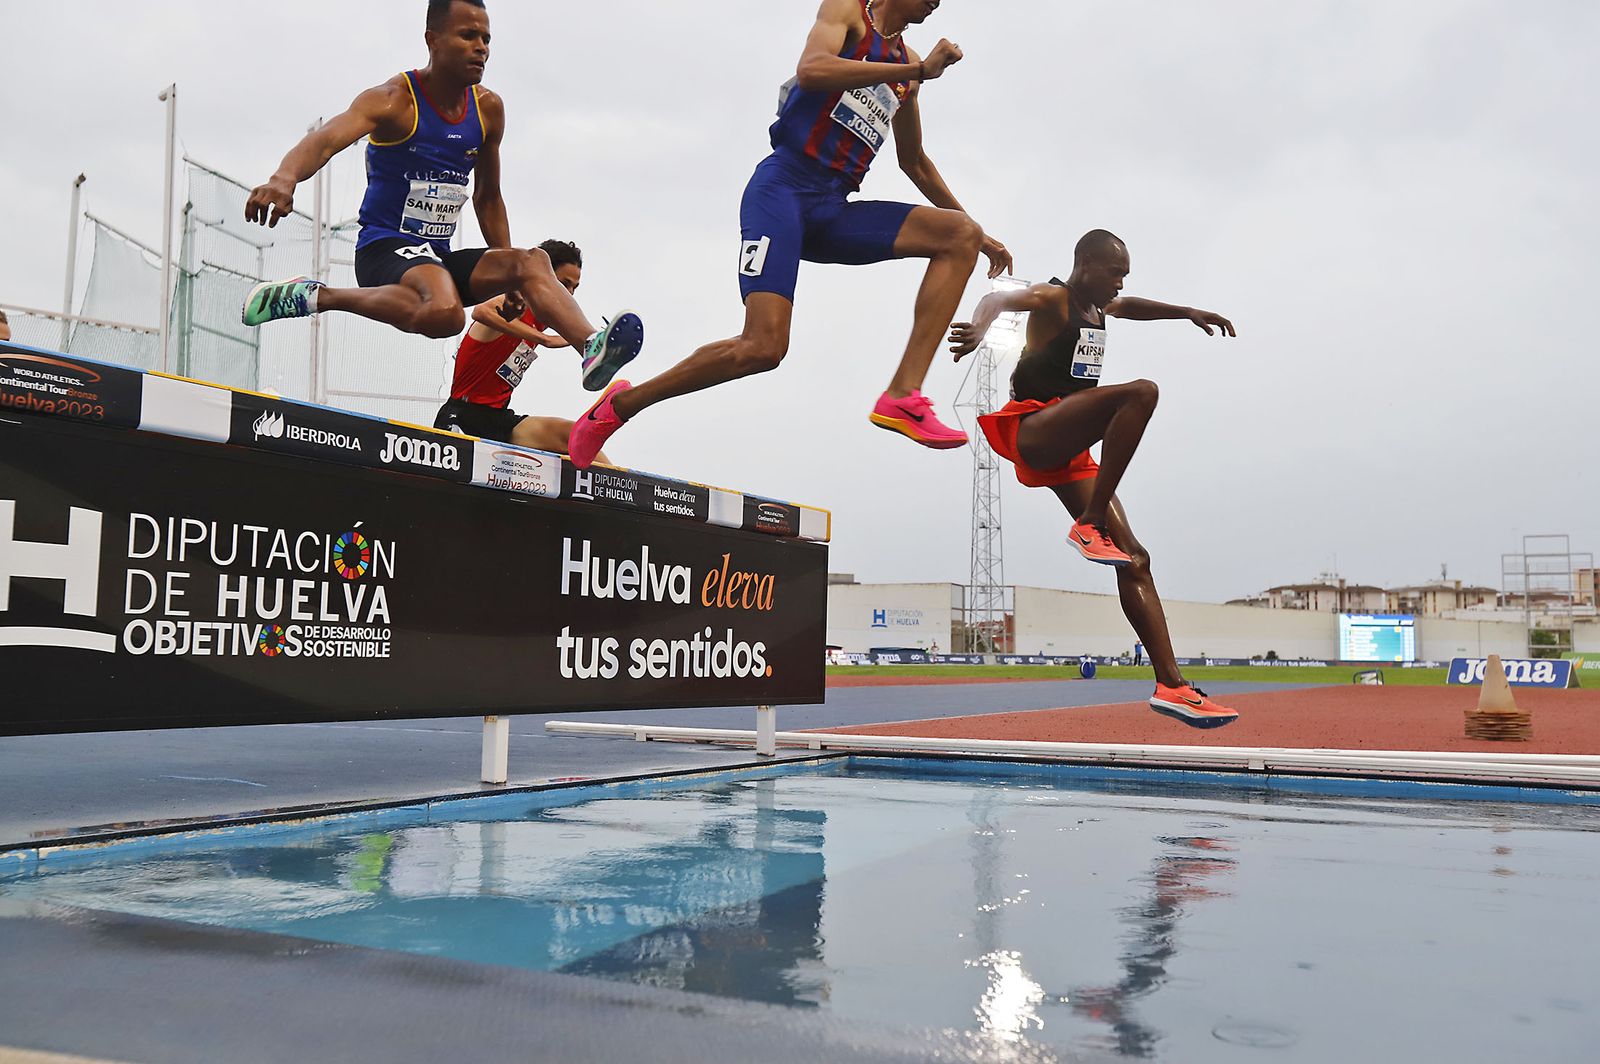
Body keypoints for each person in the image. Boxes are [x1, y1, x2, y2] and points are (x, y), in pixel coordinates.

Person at [566, 0, 1011, 468]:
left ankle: (903, 395)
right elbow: (813, 69)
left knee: (959, 234)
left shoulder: (907, 70)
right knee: (762, 348)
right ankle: (618, 407)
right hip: (781, 193)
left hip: (832, 208)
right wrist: (920, 68)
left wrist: (979, 234)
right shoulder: (848, 13)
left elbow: (913, 160)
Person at [240, 0, 641, 392]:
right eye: (468, 35)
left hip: (439, 257)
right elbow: (326, 140)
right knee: (447, 314)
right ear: (432, 39)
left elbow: (487, 198)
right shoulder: (394, 99)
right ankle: (316, 296)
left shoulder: (487, 110)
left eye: (486, 38)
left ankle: (590, 346)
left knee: (531, 261)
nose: (481, 47)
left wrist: (512, 280)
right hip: (385, 248)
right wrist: (283, 179)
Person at [950, 229, 1239, 729]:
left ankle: (1171, 685)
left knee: (1135, 559)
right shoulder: (1054, 298)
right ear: (1085, 266)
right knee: (1140, 393)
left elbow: (1134, 306)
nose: (1119, 285)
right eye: (1114, 274)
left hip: (1069, 447)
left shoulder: (1102, 307)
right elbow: (997, 297)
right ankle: (1089, 522)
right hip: (1036, 428)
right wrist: (979, 328)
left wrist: (1187, 312)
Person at [434, 239, 611, 463]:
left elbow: (558, 334)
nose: (570, 294)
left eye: (574, 288)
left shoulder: (543, 323)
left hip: (499, 419)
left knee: (576, 437)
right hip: (463, 415)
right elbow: (480, 311)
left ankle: (624, 493)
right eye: (564, 284)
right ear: (546, 278)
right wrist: (544, 339)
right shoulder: (516, 305)